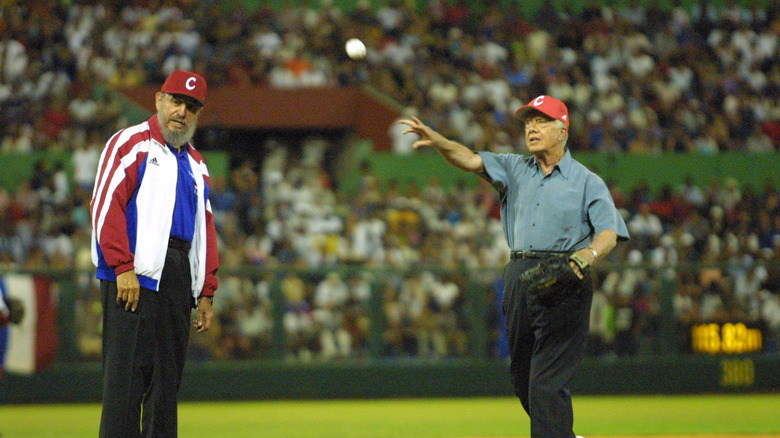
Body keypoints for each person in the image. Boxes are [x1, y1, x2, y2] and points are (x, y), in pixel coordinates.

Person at [400, 95, 629, 438]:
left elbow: (609, 233)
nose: (532, 128)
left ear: (562, 129)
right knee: (523, 376)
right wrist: (441, 142)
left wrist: (587, 256)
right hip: (520, 275)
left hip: (566, 274)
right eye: (527, 122)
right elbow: (468, 158)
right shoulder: (513, 166)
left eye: (541, 121)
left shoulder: (586, 181)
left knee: (547, 380)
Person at [90, 69, 220, 437]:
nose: (182, 111)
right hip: (135, 272)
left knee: (166, 386)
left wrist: (206, 289)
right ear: (159, 100)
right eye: (176, 101)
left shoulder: (197, 164)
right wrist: (122, 267)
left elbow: (204, 228)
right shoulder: (131, 143)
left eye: (192, 106)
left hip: (178, 274)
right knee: (125, 383)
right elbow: (105, 205)